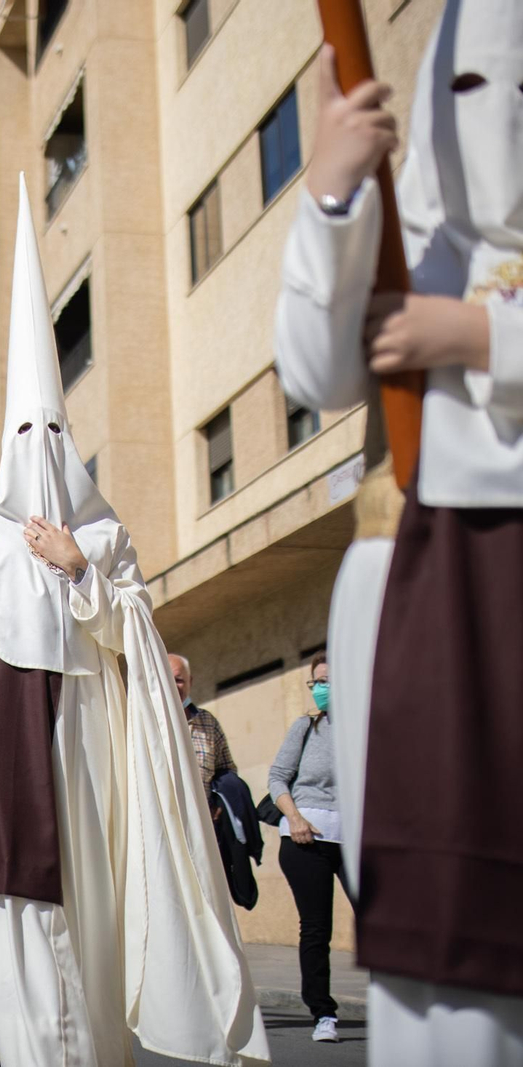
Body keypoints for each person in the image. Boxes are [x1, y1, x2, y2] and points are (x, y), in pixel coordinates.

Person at [0, 176, 267, 1064]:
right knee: (21, 909)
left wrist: (80, 569)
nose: (41, 451)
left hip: (89, 745)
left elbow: (137, 623)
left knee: (93, 912)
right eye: (26, 435)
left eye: (52, 434)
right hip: (3, 733)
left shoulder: (103, 529)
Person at [274, 5, 523, 1062]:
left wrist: (479, 334)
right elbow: (314, 370)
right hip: (417, 576)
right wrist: (331, 190)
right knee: (439, 952)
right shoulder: (414, 224)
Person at [268, 652, 351, 1044]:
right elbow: (278, 778)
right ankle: (323, 1014)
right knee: (317, 929)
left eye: (329, 680)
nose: (321, 688)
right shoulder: (306, 727)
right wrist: (296, 819)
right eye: (316, 681)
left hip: (356, 839)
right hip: (306, 841)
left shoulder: (369, 726)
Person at [169, 654, 237, 804]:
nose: (173, 686)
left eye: (179, 680)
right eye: (167, 679)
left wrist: (218, 803)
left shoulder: (207, 722)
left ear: (190, 682)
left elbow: (226, 769)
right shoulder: (142, 723)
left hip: (204, 818)